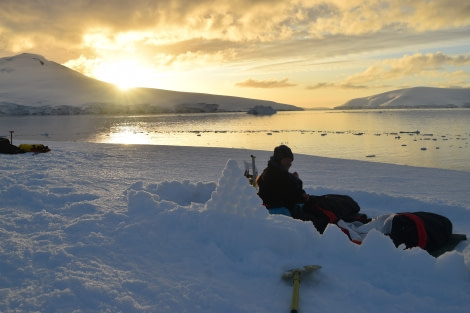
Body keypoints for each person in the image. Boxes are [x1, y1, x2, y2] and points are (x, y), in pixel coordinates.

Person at [257, 145, 364, 233]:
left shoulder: (272, 171)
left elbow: (288, 192)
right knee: (322, 218)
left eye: (290, 161)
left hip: (287, 206)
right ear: (279, 159)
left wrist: (297, 187)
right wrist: (297, 183)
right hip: (287, 209)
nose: (289, 164)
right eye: (287, 160)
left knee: (326, 203)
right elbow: (289, 194)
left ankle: (348, 211)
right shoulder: (275, 175)